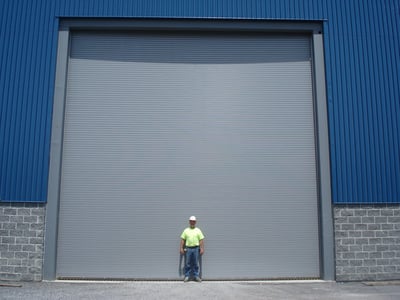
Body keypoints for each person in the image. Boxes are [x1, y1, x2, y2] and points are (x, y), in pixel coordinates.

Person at [180, 216, 205, 282]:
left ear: (195, 222)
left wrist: (202, 248)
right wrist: (181, 248)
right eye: (191, 221)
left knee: (195, 263)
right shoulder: (186, 230)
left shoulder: (198, 230)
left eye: (193, 221)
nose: (192, 222)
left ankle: (196, 276)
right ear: (189, 222)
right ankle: (187, 276)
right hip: (188, 249)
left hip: (196, 249)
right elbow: (182, 239)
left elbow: (201, 240)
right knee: (187, 263)